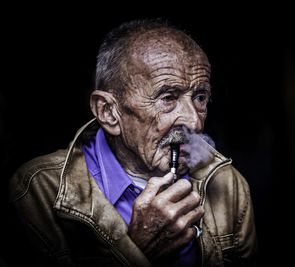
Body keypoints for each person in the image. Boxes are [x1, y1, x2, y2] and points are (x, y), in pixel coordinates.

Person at [9, 19, 257, 267]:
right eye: (168, 98)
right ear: (108, 112)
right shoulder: (38, 190)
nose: (194, 122)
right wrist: (138, 251)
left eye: (200, 97)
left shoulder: (227, 183)